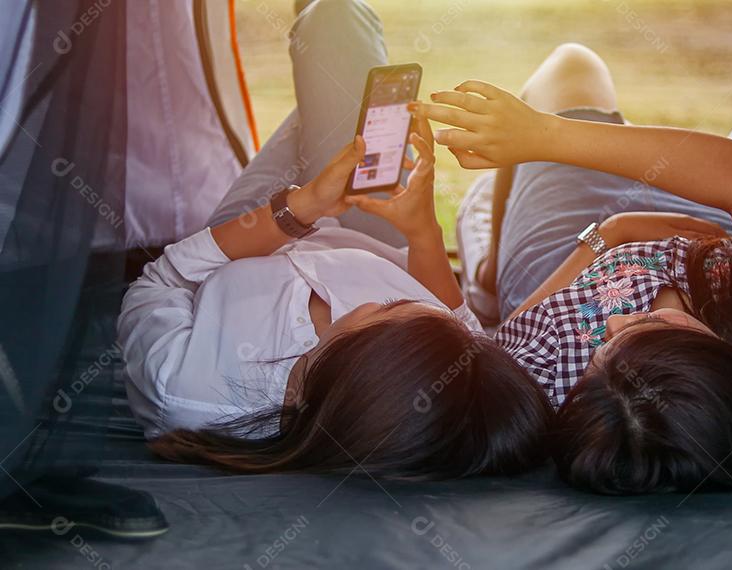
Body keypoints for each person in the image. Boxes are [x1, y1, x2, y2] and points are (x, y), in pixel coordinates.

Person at [421, 44, 732, 494]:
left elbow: (498, 337)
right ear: (722, 364)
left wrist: (608, 234)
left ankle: (487, 254)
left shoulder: (560, 397)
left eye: (600, 349)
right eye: (646, 323)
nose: (615, 320)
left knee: (570, 67)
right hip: (710, 210)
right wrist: (544, 136)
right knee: (571, 86)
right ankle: (494, 217)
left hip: (573, 246)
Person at [117, 0, 551, 479]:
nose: (400, 298)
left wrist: (298, 209)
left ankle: (325, 104)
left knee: (331, 22)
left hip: (247, 234)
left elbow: (163, 280)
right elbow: (458, 321)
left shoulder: (182, 389)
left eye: (389, 307)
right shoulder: (439, 375)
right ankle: (329, 104)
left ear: (359, 368)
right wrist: (421, 229)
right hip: (359, 227)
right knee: (335, 47)